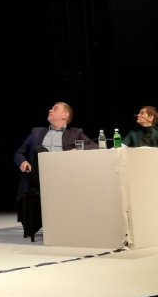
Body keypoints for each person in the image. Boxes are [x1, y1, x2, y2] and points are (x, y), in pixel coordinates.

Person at [13, 102, 96, 241]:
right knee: (40, 151)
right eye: (51, 108)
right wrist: (23, 162)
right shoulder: (37, 132)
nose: (50, 110)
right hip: (39, 176)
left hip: (63, 176)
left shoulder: (75, 133)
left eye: (55, 109)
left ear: (65, 115)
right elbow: (19, 153)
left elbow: (95, 146)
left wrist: (76, 150)